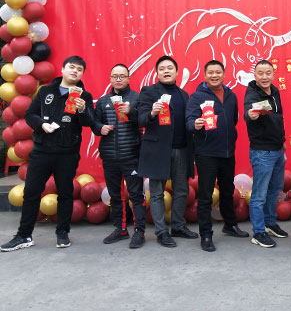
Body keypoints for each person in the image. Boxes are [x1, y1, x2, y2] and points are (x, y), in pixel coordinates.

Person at [1, 56, 94, 251]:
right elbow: (30, 114)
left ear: (82, 74)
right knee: (31, 192)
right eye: (72, 67)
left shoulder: (84, 96)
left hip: (67, 153)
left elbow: (88, 123)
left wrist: (83, 110)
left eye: (79, 69)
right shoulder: (45, 91)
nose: (75, 71)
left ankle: (63, 232)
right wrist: (42, 125)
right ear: (63, 69)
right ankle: (24, 235)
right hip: (42, 151)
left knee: (65, 193)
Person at [186, 60, 248, 252]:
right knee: (205, 195)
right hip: (206, 153)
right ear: (205, 75)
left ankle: (230, 225)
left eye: (218, 72)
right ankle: (206, 234)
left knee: (228, 190)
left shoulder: (231, 95)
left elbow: (234, 119)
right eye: (211, 72)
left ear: (224, 74)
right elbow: (189, 120)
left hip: (227, 151)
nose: (214, 75)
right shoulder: (197, 97)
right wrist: (195, 124)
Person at [137, 56, 196, 248]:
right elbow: (140, 120)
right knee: (156, 193)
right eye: (162, 68)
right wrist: (152, 113)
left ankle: (178, 226)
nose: (166, 71)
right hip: (157, 150)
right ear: (157, 73)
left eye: (170, 68)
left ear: (177, 72)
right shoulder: (149, 92)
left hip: (182, 149)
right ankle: (161, 232)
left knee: (182, 190)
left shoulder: (184, 95)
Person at [92, 63, 145, 249]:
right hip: (109, 156)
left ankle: (139, 231)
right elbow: (94, 124)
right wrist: (100, 128)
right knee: (115, 195)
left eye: (122, 76)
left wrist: (131, 113)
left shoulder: (137, 98)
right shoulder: (103, 101)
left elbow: (144, 120)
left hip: (132, 155)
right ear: (110, 79)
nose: (119, 79)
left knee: (136, 195)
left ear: (129, 78)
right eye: (115, 76)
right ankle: (121, 229)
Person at [244, 60, 288, 248]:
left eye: (268, 73)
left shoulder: (275, 91)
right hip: (262, 152)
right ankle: (258, 232)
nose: (264, 77)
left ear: (273, 74)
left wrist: (283, 141)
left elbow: (279, 118)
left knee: (274, 190)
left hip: (278, 149)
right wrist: (251, 114)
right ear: (255, 75)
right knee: (260, 194)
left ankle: (270, 223)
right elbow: (249, 112)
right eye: (260, 73)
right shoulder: (252, 93)